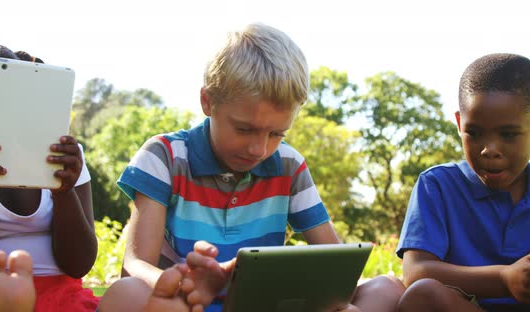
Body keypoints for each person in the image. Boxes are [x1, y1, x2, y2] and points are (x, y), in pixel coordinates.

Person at [98, 23, 405, 312]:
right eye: (244, 129)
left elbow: (337, 267)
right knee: (126, 293)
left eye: (276, 134)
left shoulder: (289, 166)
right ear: (208, 102)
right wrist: (183, 284)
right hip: (184, 304)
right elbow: (135, 266)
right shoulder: (164, 157)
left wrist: (336, 298)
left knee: (387, 288)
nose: (259, 149)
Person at [395, 53, 530, 312]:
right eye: (475, 132)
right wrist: (504, 279)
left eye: (509, 134)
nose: (489, 150)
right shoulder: (437, 185)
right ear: (459, 124)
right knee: (424, 294)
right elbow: (415, 271)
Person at [0, 43, 100, 311]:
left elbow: (79, 265)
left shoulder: (64, 156)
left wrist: (64, 192)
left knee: (127, 294)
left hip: (63, 295)